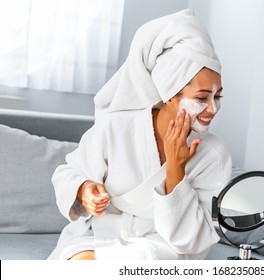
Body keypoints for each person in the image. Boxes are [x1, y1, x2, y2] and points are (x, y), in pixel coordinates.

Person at [48, 9, 232, 260]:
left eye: (217, 96)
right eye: (202, 98)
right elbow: (69, 172)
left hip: (161, 246)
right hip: (100, 235)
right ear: (169, 92)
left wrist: (175, 173)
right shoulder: (116, 128)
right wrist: (84, 189)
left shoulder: (213, 154)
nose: (213, 108)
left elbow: (193, 239)